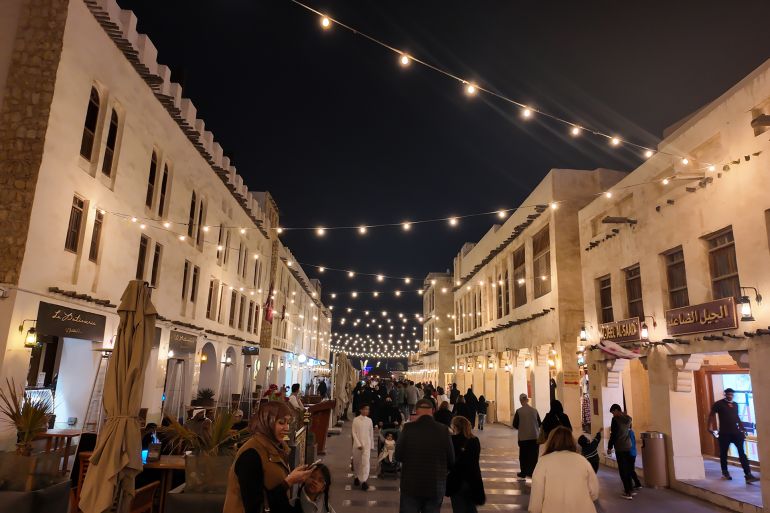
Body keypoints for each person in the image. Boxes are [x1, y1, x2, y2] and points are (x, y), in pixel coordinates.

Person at [223, 401, 313, 513]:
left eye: (288, 422)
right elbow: (254, 505)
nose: (286, 427)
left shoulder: (275, 447)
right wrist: (289, 481)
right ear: (266, 423)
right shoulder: (251, 454)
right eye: (281, 423)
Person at [395, 398, 455, 513]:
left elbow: (398, 455)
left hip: (411, 485)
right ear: (433, 411)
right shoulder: (443, 430)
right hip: (435, 485)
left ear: (416, 411)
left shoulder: (408, 428)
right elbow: (451, 459)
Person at [528, 426, 599, 513]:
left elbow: (537, 492)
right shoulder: (582, 460)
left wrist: (535, 509)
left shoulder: (544, 461)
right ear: (571, 441)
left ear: (550, 441)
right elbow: (594, 491)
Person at [708, 388, 759, 482]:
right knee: (723, 453)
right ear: (725, 394)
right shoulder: (718, 404)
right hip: (724, 433)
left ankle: (748, 474)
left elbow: (736, 417)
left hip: (736, 432)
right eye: (728, 394)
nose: (730, 396)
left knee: (742, 453)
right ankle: (725, 472)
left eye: (731, 394)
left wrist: (742, 427)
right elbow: (711, 415)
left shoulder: (735, 404)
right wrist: (709, 427)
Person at [446, 416, 485, 513]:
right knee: (471, 508)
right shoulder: (475, 440)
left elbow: (449, 460)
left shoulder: (451, 440)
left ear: (455, 427)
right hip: (472, 478)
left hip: (457, 479)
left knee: (458, 508)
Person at [606, 404, 634, 500]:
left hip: (620, 447)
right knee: (629, 468)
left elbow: (613, 435)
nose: (613, 415)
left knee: (623, 470)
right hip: (628, 446)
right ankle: (630, 489)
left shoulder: (615, 420)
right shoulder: (628, 418)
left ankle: (628, 492)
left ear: (617, 410)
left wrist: (609, 447)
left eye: (613, 412)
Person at [512, 393, 541, 479]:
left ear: (521, 401)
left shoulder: (519, 411)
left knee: (523, 455)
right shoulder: (534, 410)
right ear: (527, 400)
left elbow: (515, 424)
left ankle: (523, 472)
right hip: (534, 436)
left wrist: (522, 427)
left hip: (523, 437)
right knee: (533, 456)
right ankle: (532, 472)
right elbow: (539, 423)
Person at [351, 403, 374, 490]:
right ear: (360, 410)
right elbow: (354, 433)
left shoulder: (369, 420)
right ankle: (356, 476)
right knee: (357, 462)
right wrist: (358, 444)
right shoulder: (356, 420)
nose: (366, 411)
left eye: (367, 409)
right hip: (357, 445)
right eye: (364, 409)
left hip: (367, 444)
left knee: (365, 462)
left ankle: (364, 481)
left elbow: (371, 433)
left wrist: (371, 445)